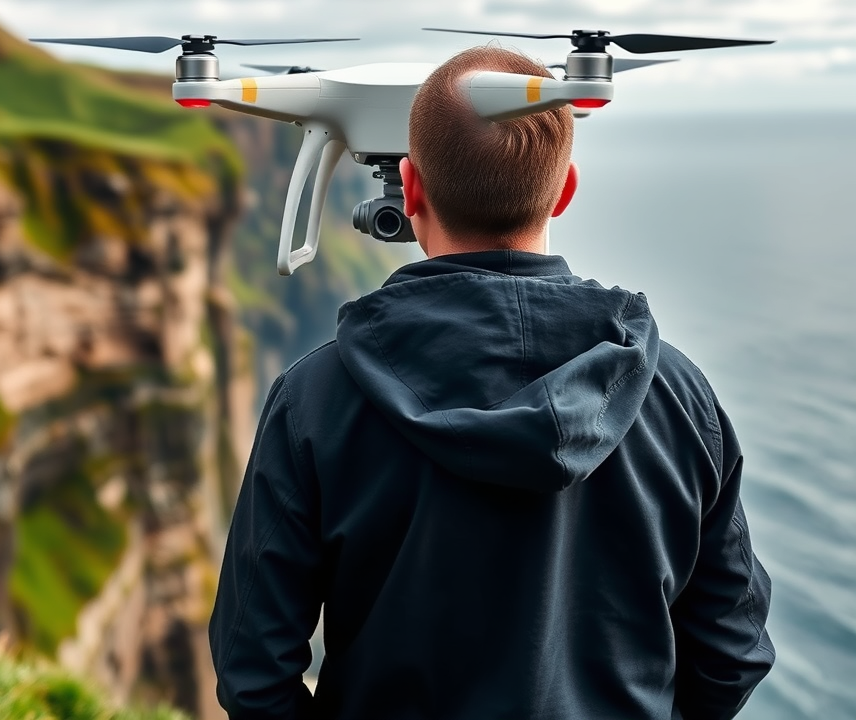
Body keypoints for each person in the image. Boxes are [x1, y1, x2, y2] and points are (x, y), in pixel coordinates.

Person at [209, 46, 774, 720]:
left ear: (410, 187)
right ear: (564, 190)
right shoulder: (679, 397)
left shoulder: (315, 400)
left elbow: (252, 667)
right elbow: (732, 650)